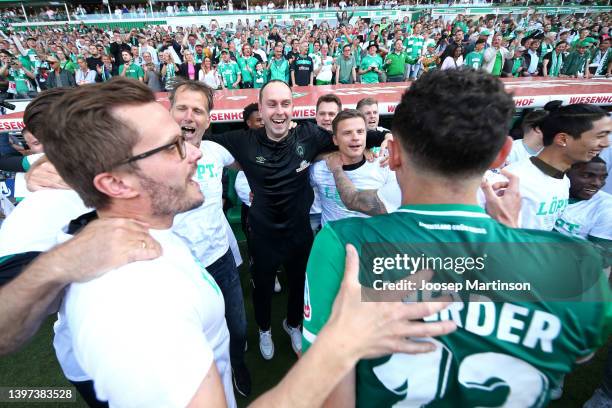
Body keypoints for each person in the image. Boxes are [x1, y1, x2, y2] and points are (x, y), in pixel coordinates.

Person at [303, 68, 611, 407]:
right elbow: (580, 352)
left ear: (393, 155)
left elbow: (326, 387)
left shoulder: (341, 244)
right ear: (502, 154)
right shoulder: (578, 263)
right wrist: (513, 243)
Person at [208, 80, 389, 360]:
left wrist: (388, 138)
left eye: (285, 104)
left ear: (293, 106)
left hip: (299, 232)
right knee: (263, 289)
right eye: (272, 104)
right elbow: (203, 142)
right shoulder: (242, 140)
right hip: (262, 234)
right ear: (260, 107)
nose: (279, 111)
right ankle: (265, 329)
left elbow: (355, 136)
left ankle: (293, 324)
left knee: (297, 285)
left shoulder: (310, 135)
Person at [505, 101, 612, 231]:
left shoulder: (563, 181)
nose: (606, 144)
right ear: (562, 139)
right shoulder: (515, 181)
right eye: (599, 136)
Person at [310, 109, 397, 226]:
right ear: (335, 140)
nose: (355, 137)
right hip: (334, 242)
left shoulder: (384, 166)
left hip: (371, 242)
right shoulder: (318, 170)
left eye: (360, 131)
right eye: (347, 133)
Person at [554, 156, 611, 255]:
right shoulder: (547, 190)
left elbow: (601, 256)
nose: (597, 183)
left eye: (602, 178)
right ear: (567, 172)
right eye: (587, 175)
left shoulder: (606, 207)